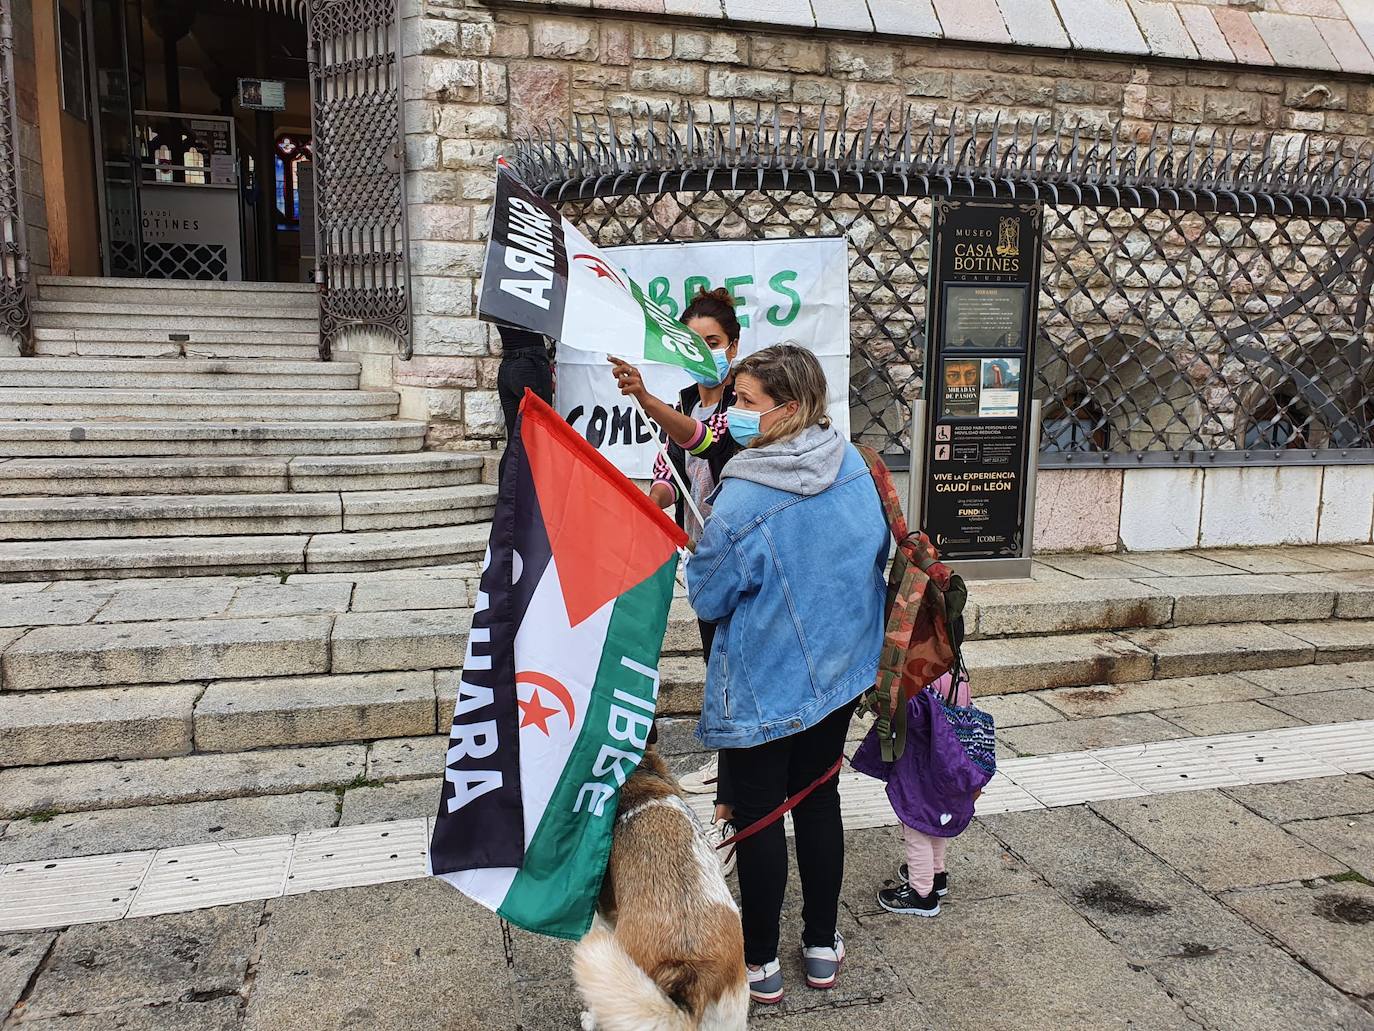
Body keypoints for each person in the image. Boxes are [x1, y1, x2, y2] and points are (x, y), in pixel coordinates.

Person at [685, 344, 888, 1005]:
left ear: (789, 409)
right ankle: (823, 945)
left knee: (761, 813)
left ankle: (764, 961)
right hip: (839, 674)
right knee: (819, 797)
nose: (733, 413)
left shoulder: (743, 499)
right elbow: (874, 550)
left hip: (766, 683)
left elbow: (708, 596)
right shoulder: (851, 460)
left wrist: (702, 552)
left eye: (745, 402)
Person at [608, 287, 744, 851]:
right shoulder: (688, 397)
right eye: (693, 343)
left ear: (733, 345)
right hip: (705, 561)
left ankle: (730, 808)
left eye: (712, 342)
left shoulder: (746, 399)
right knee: (720, 671)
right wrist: (641, 503)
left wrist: (644, 397)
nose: (705, 352)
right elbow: (672, 471)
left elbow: (706, 442)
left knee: (734, 679)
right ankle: (734, 782)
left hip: (745, 558)